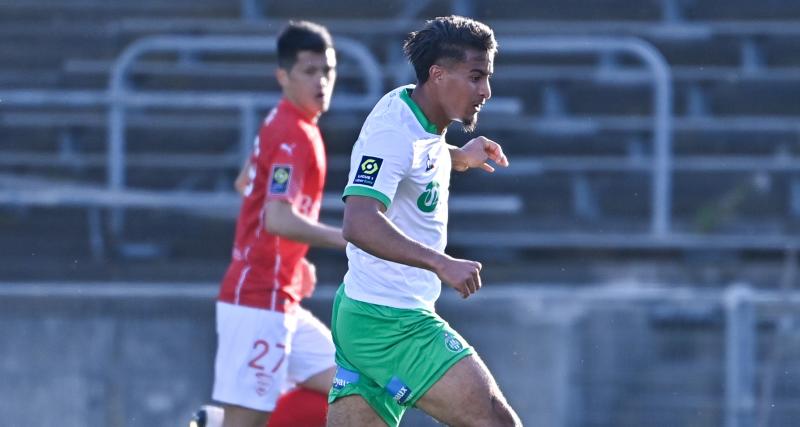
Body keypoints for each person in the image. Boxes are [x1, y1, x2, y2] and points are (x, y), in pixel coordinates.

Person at [326, 16, 521, 427]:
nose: (485, 91)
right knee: (495, 421)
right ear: (438, 74)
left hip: (367, 312)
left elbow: (415, 155)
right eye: (475, 77)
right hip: (391, 321)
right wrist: (440, 262)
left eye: (487, 78)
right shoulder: (394, 133)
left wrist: (459, 157)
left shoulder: (414, 113)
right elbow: (358, 222)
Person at [204, 20, 347, 427]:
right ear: (283, 76)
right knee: (245, 421)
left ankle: (213, 422)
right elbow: (278, 217)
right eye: (309, 71)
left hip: (279, 295)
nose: (321, 81)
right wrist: (352, 239)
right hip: (257, 300)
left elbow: (245, 182)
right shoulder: (291, 133)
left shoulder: (285, 123)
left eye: (328, 70)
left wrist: (292, 259)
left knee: (356, 390)